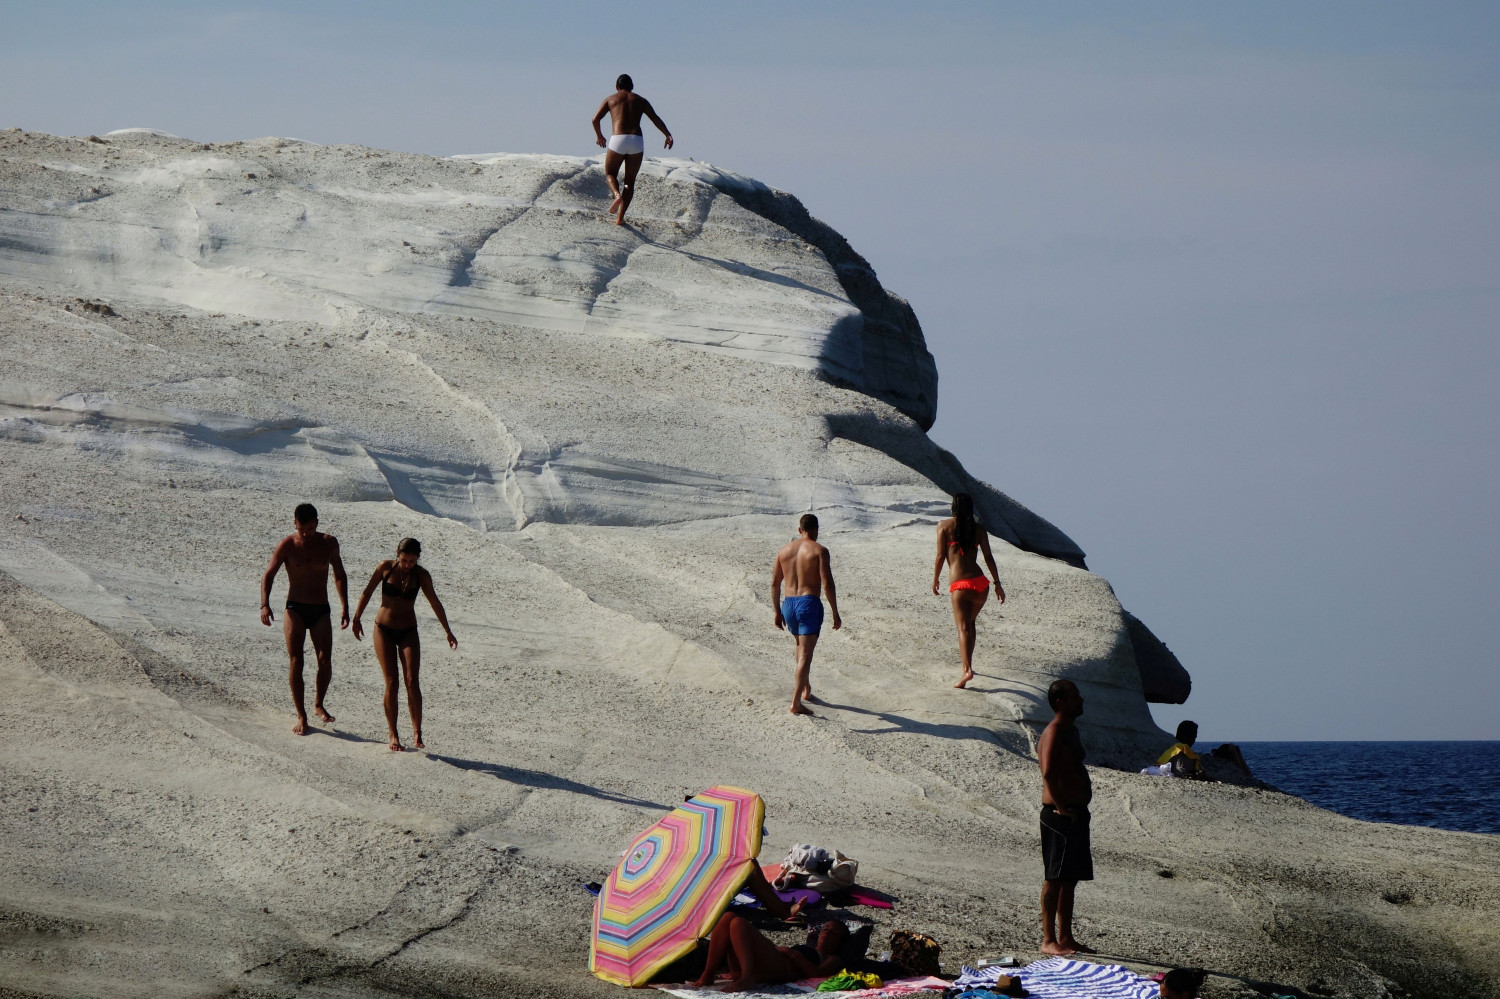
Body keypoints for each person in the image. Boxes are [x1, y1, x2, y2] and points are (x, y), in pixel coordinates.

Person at [350, 538, 458, 752]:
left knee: (412, 680)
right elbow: (368, 591)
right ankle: (393, 734)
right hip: (383, 629)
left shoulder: (421, 575)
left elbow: (434, 602)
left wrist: (447, 631)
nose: (408, 565)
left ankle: (417, 731)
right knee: (392, 681)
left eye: (412, 561)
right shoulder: (385, 568)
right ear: (397, 555)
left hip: (409, 631)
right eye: (404, 560)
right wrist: (356, 619)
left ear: (418, 558)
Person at [259, 503, 349, 735]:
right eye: (301, 529)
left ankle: (318, 704)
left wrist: (345, 606)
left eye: (309, 528)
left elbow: (339, 574)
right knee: (296, 660)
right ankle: (302, 715)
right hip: (295, 608)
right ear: (295, 524)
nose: (306, 534)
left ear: (316, 523)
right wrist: (264, 604)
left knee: (325, 661)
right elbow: (269, 574)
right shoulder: (288, 544)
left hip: (321, 608)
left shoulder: (329, 543)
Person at [1038, 678, 1094, 956]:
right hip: (1059, 817)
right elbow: (1046, 771)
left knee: (1069, 878)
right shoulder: (1054, 731)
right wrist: (1061, 805)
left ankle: (1066, 937)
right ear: (1060, 702)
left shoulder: (1070, 730)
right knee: (1054, 878)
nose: (1081, 700)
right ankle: (1049, 940)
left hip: (1075, 814)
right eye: (1075, 696)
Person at [932, 492, 1005, 688]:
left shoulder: (944, 526)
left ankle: (967, 670)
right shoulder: (979, 529)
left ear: (953, 507)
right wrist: (998, 584)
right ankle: (968, 664)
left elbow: (940, 556)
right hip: (981, 584)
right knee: (970, 624)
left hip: (961, 585)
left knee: (962, 627)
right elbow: (989, 558)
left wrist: (936, 578)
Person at [771, 513, 842, 715]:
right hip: (808, 603)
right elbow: (827, 583)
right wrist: (836, 612)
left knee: (799, 646)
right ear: (816, 529)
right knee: (806, 654)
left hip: (789, 604)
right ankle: (796, 703)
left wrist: (777, 610)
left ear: (799, 530)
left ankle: (806, 689)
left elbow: (775, 583)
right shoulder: (820, 551)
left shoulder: (784, 551)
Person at [693, 908, 847, 993]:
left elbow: (817, 974)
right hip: (763, 965)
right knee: (728, 917)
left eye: (833, 933)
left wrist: (792, 954)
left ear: (839, 942)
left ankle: (747, 977)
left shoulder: (831, 957)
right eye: (825, 928)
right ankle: (708, 973)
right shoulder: (809, 947)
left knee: (738, 923)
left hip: (779, 968)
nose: (826, 932)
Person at [591, 73, 673, 225]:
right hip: (636, 141)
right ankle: (620, 217)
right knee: (629, 182)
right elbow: (655, 118)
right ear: (632, 87)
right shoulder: (640, 100)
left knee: (610, 173)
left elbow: (595, 119)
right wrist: (667, 134)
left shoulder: (611, 99)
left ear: (617, 87)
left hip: (618, 139)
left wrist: (600, 136)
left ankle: (616, 195)